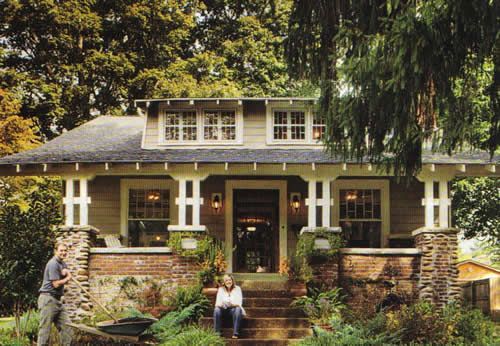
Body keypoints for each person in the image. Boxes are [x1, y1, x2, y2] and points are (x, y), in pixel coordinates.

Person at [37, 243, 73, 346]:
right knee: (45, 330)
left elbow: (65, 279)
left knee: (68, 327)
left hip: (57, 300)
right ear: (55, 251)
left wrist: (67, 273)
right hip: (48, 299)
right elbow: (56, 284)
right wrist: (67, 277)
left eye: (65, 251)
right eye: (61, 250)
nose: (63, 253)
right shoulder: (53, 264)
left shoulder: (63, 264)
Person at [213, 274, 245, 339]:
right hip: (223, 310)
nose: (228, 282)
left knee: (238, 309)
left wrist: (229, 304)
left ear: (232, 281)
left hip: (234, 310)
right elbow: (217, 303)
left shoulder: (237, 289)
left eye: (230, 280)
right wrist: (224, 304)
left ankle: (236, 333)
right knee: (216, 310)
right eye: (226, 280)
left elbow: (239, 303)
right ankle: (217, 333)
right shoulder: (220, 289)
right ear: (224, 282)